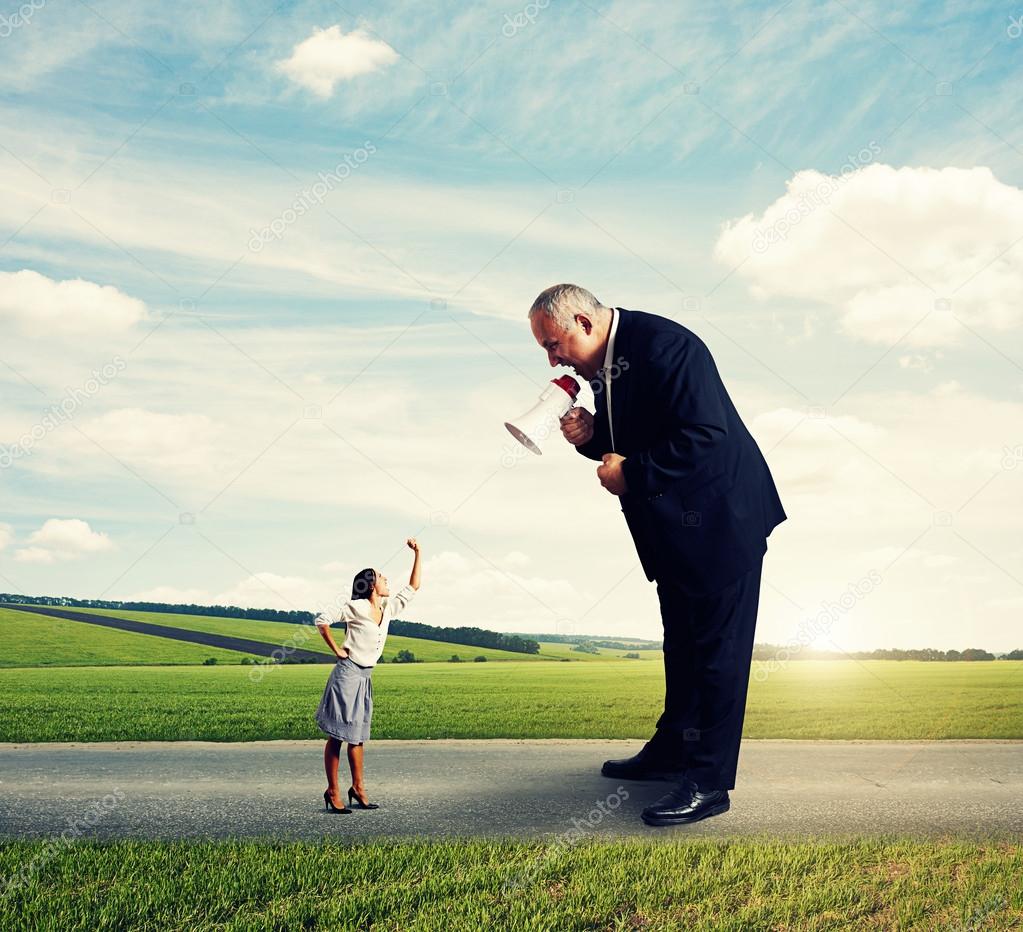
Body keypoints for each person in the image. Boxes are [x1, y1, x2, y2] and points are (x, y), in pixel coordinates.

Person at [527, 283, 787, 826]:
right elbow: (637, 440)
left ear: (582, 321)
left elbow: (706, 437)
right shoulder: (608, 365)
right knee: (684, 648)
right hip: (674, 534)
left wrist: (633, 472)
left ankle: (709, 783)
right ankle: (673, 751)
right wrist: (591, 438)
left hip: (720, 523)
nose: (552, 358)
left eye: (553, 344)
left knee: (717, 656)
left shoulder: (667, 346)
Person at [313, 537, 422, 813]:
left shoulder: (386, 611)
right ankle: (333, 791)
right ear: (371, 585)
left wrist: (418, 553)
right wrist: (337, 649)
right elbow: (322, 619)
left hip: (365, 677)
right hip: (347, 675)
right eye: (383, 578)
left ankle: (358, 788)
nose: (387, 581)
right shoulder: (357, 607)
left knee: (358, 737)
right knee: (337, 736)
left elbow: (413, 587)